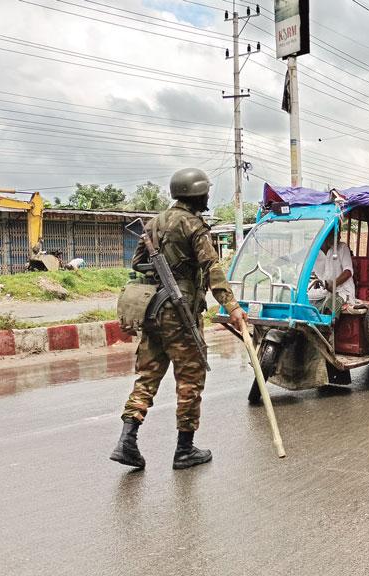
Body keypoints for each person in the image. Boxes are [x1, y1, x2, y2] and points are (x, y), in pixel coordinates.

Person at [110, 167, 247, 471]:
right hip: (179, 312)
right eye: (206, 192)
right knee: (190, 379)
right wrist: (232, 306)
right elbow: (212, 267)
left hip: (153, 310)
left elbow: (138, 264)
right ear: (197, 194)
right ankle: (185, 449)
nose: (208, 196)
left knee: (147, 377)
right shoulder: (193, 225)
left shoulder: (154, 223)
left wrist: (164, 270)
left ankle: (126, 441)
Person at [308, 231, 355, 314]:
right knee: (304, 304)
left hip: (343, 292)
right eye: (335, 234)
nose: (339, 237)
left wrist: (333, 284)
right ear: (325, 235)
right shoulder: (313, 252)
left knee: (329, 307)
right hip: (325, 292)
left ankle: (328, 326)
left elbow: (348, 271)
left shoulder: (342, 248)